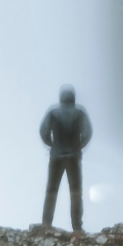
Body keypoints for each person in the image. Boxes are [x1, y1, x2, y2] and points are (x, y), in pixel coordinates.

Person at [39, 86, 92, 233]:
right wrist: (79, 146)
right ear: (73, 97)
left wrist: (52, 144)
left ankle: (46, 224)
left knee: (51, 190)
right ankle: (77, 227)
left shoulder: (53, 112)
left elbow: (43, 132)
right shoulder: (80, 112)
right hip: (74, 157)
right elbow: (87, 133)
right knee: (75, 192)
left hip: (56, 156)